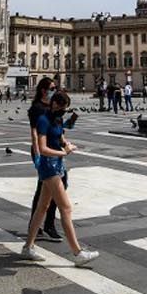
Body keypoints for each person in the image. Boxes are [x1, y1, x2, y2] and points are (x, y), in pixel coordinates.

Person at [21, 89, 98, 267]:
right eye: (63, 107)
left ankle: (28, 247)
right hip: (48, 167)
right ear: (54, 104)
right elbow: (42, 148)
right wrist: (64, 152)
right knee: (66, 208)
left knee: (42, 207)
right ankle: (77, 253)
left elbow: (61, 137)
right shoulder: (42, 120)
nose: (64, 110)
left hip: (57, 165)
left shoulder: (57, 119)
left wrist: (67, 144)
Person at [26, 77, 64, 243]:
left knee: (46, 191)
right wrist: (38, 154)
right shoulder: (37, 108)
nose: (54, 90)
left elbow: (58, 127)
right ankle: (45, 226)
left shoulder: (51, 107)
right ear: (43, 90)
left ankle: (38, 226)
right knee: (47, 189)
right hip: (44, 152)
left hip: (54, 150)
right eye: (52, 88)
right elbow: (34, 132)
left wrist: (64, 142)